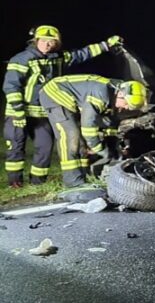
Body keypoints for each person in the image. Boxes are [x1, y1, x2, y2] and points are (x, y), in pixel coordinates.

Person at [3, 26, 122, 188]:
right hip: (18, 113)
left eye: (51, 42)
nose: (47, 45)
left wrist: (106, 45)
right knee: (16, 147)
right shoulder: (21, 59)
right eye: (44, 41)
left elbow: (82, 54)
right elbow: (11, 86)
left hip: (43, 113)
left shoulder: (59, 58)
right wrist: (18, 113)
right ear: (36, 41)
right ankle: (15, 183)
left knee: (44, 149)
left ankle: (37, 184)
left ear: (56, 44)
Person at [39, 75, 146, 189]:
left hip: (72, 97)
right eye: (126, 104)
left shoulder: (118, 88)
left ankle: (85, 175)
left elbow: (108, 123)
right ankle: (72, 182)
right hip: (54, 94)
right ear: (120, 94)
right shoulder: (100, 95)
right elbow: (88, 129)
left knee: (82, 140)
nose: (125, 108)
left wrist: (114, 143)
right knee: (71, 136)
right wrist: (102, 150)